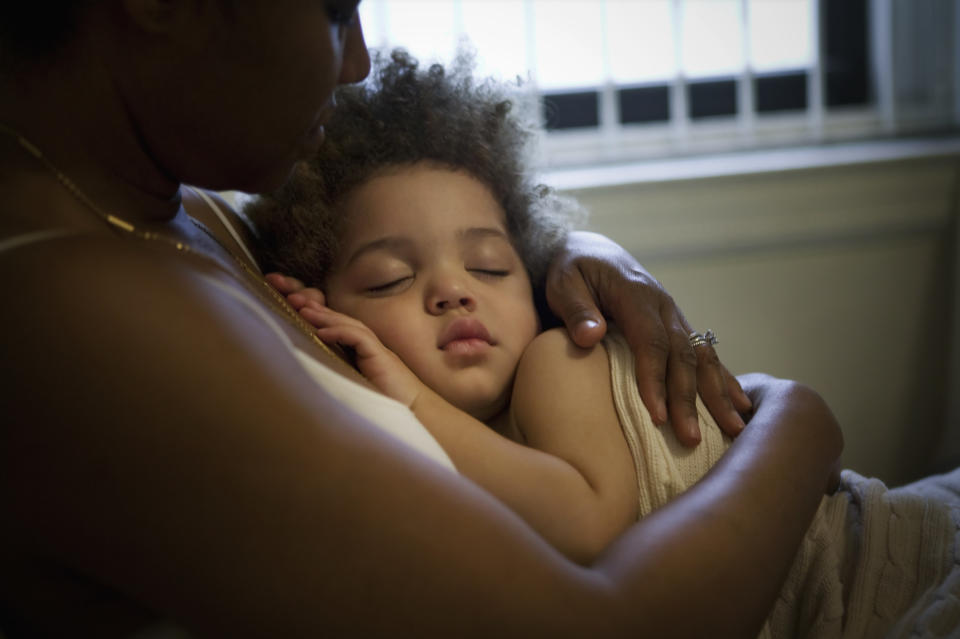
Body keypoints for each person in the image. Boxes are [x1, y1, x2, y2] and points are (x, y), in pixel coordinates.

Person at [1, 2, 845, 637]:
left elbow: (394, 246)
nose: (359, 62)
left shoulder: (179, 207)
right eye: (334, 10)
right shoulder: (77, 322)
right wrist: (798, 421)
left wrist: (567, 252)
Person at [247, 50, 960, 638]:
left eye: (490, 266)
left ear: (529, 280)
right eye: (390, 278)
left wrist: (404, 396)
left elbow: (587, 523)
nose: (453, 290)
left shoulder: (557, 363)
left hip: (877, 564)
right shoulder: (432, 456)